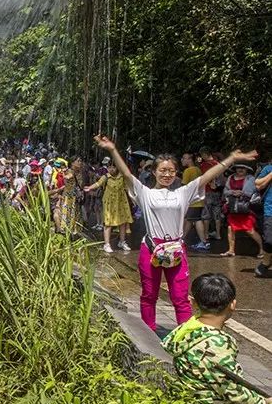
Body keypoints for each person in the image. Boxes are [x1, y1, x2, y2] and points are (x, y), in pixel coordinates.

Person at [94, 134, 257, 331]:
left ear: (176, 173)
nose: (167, 174)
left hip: (176, 250)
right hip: (152, 249)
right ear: (154, 172)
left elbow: (207, 177)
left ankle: (185, 335)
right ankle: (149, 334)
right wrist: (112, 149)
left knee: (180, 298)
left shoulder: (183, 192)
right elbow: (127, 175)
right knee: (149, 295)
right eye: (162, 170)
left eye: (171, 171)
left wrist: (231, 158)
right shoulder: (145, 193)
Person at [161, 274, 272, 404]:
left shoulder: (187, 329)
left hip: (199, 402)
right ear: (233, 304)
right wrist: (263, 401)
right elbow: (232, 391)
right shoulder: (218, 344)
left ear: (193, 302)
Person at [84, 163, 132, 253]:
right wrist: (90, 188)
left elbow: (128, 188)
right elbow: (98, 183)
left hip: (121, 202)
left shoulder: (122, 177)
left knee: (123, 222)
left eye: (113, 167)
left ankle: (122, 242)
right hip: (109, 203)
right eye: (109, 167)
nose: (111, 169)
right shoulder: (106, 177)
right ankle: (107, 244)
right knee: (108, 223)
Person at [220, 164, 263, 258]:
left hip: (245, 208)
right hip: (233, 208)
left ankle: (262, 249)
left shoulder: (250, 178)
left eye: (243, 168)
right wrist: (232, 192)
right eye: (238, 167)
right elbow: (225, 191)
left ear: (247, 169)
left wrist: (241, 193)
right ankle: (231, 250)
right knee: (230, 229)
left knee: (250, 230)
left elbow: (251, 192)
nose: (240, 169)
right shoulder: (230, 177)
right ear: (235, 169)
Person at [181, 153, 209, 251]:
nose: (182, 160)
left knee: (196, 220)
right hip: (199, 199)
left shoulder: (188, 171)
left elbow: (184, 186)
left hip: (193, 200)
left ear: (189, 159)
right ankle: (181, 239)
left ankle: (204, 242)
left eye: (184, 158)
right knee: (190, 219)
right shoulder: (197, 169)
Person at [199, 148, 224, 239]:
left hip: (208, 191)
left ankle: (206, 234)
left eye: (202, 155)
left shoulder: (205, 165)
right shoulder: (217, 164)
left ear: (205, 154)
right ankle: (218, 234)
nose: (201, 157)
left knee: (206, 214)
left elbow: (206, 177)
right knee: (217, 214)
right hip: (217, 192)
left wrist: (210, 184)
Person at [256, 154, 272, 278]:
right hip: (270, 209)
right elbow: (258, 184)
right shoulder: (268, 168)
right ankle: (266, 262)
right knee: (269, 240)